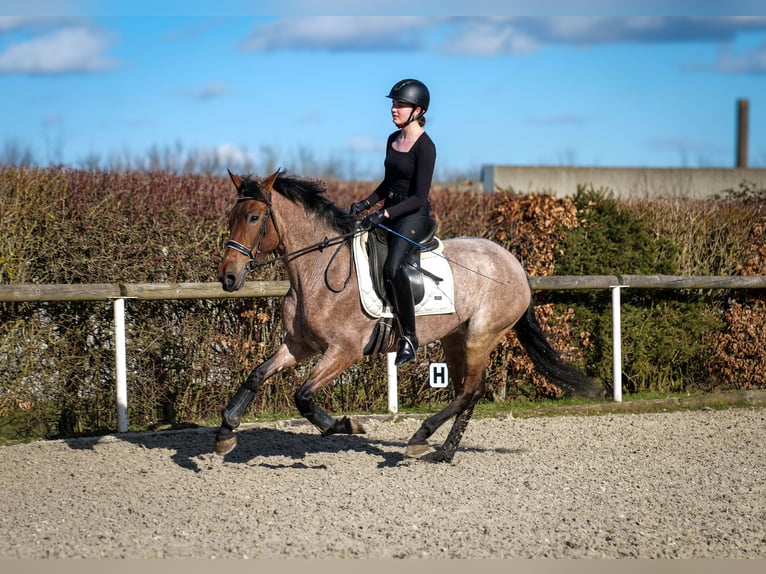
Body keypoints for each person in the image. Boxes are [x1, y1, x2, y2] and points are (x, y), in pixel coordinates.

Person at [349, 78, 436, 366]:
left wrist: (383, 214)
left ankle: (409, 336)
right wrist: (365, 204)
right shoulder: (392, 139)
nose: (393, 109)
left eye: (399, 105)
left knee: (393, 266)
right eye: (393, 104)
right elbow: (389, 183)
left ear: (417, 110)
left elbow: (420, 197)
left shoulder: (426, 147)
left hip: (413, 216)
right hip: (390, 210)